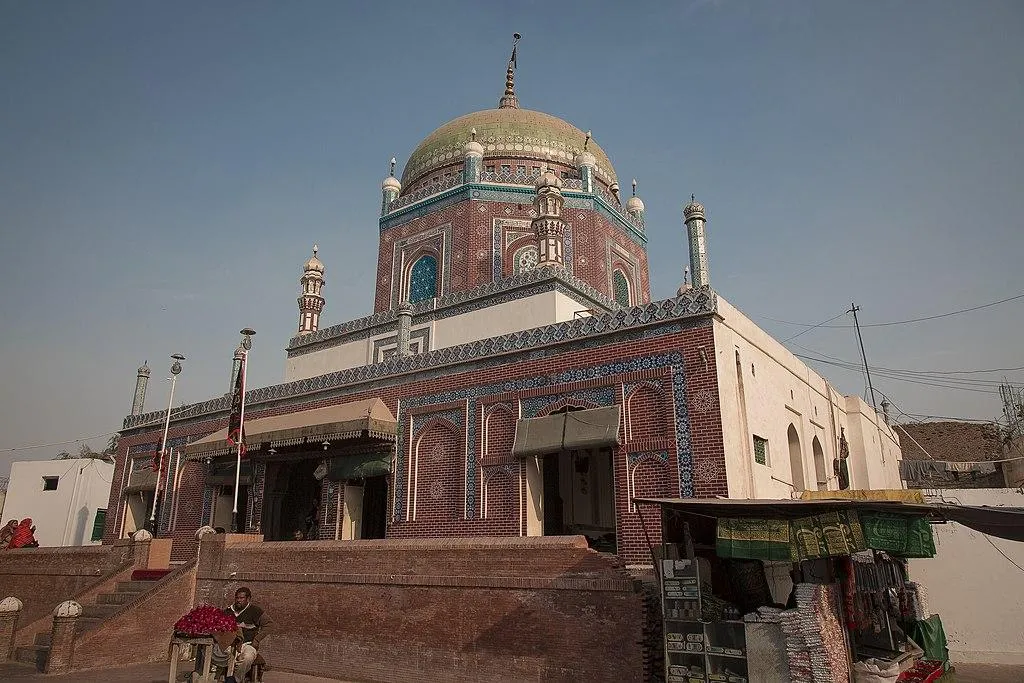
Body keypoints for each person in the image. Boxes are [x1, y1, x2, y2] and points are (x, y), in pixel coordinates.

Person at [223, 586, 272, 681]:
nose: (238, 600)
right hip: (230, 644)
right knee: (220, 655)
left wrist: (257, 639)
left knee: (247, 657)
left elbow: (269, 625)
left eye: (242, 598)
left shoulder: (255, 611)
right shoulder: (228, 611)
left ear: (248, 599)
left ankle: (235, 680)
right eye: (237, 598)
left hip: (248, 644)